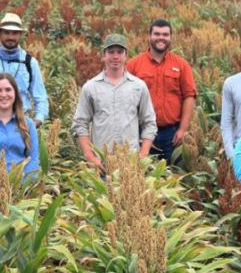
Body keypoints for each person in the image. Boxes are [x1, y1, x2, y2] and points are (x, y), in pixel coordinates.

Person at [71, 33, 157, 169]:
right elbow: (80, 123)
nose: (115, 56)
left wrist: (143, 154)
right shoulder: (91, 87)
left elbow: (149, 123)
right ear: (104, 55)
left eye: (119, 52)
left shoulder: (138, 87)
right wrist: (90, 156)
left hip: (131, 163)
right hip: (101, 164)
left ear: (126, 55)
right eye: (111, 52)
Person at [126, 19, 197, 164]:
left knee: (172, 177)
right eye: (157, 34)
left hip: (171, 133)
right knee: (141, 175)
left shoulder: (181, 65)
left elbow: (189, 96)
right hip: (141, 131)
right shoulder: (133, 65)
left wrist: (182, 129)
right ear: (149, 36)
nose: (161, 38)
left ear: (170, 37)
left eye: (165, 35)